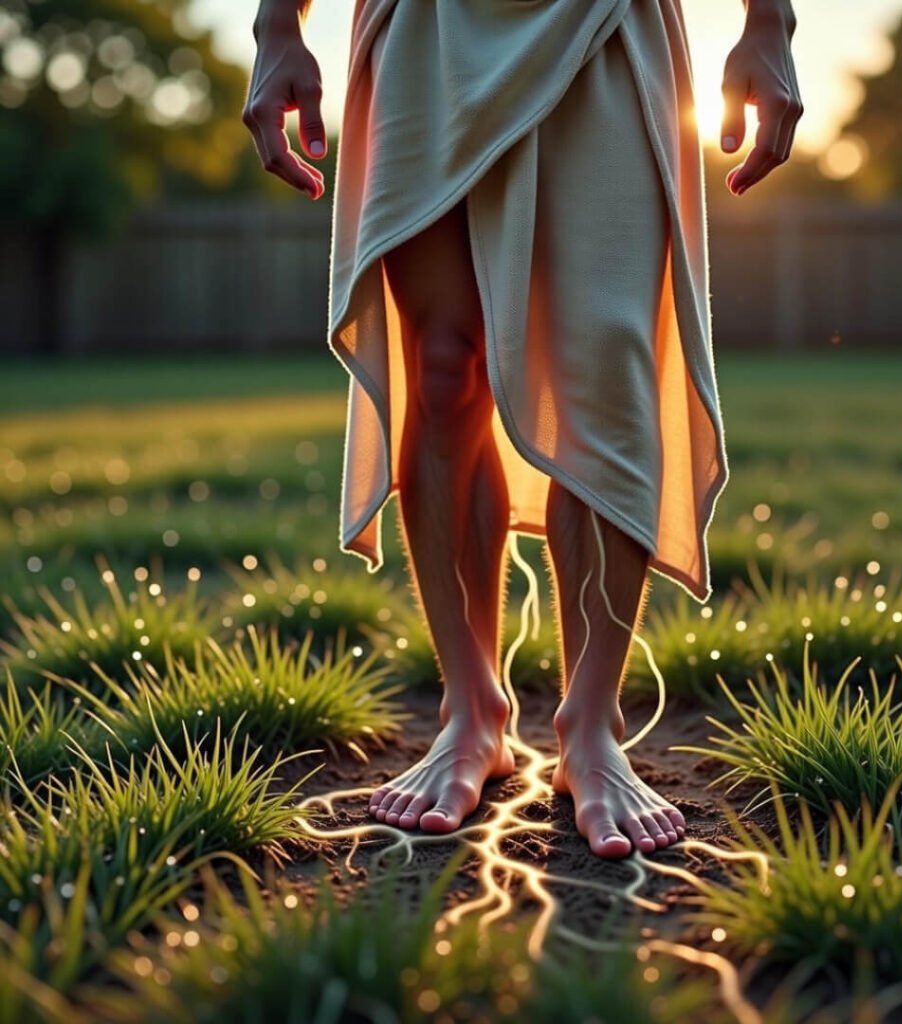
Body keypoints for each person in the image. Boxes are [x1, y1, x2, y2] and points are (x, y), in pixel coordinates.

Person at [244, 0, 802, 859]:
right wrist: (277, 27)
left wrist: (770, 24)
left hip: (603, 23)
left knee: (603, 366)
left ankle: (592, 727)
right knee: (440, 366)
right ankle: (471, 712)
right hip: (427, 32)